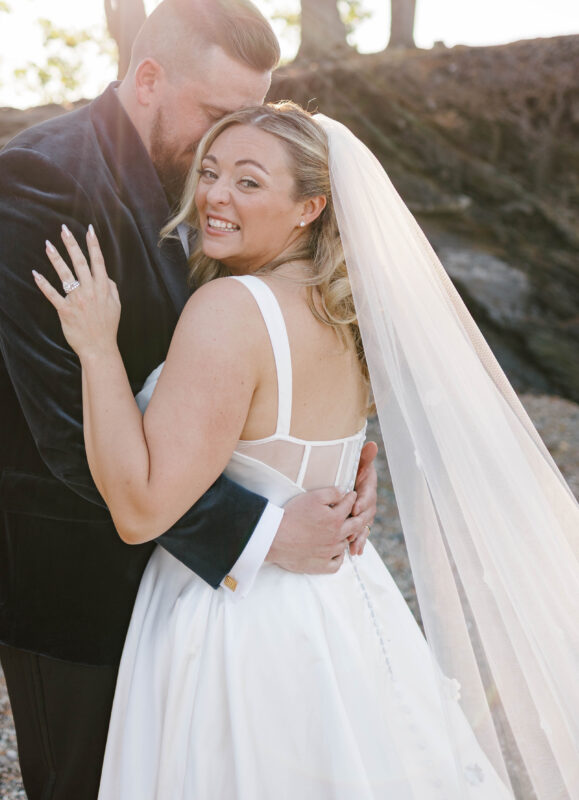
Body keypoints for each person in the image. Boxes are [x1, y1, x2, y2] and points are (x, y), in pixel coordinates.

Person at [35, 101, 579, 799]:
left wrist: (95, 347)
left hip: (236, 625)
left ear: (309, 207)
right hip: (340, 611)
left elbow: (140, 510)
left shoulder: (231, 309)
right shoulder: (345, 317)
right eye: (210, 171)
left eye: (249, 181)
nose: (214, 195)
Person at [0, 0, 378, 800]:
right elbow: (67, 425)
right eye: (213, 110)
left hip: (191, 589)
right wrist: (263, 533)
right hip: (70, 569)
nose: (226, 140)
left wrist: (333, 461)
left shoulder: (210, 181)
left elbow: (265, 351)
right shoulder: (40, 181)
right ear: (146, 78)